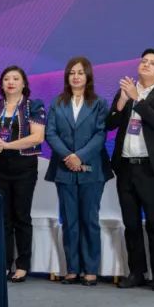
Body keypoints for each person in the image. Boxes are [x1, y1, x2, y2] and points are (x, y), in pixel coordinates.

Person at [105, 48, 154, 292]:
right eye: (144, 61)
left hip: (149, 169)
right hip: (126, 166)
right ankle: (136, 272)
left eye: (152, 63)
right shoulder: (125, 91)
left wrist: (137, 99)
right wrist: (121, 102)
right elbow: (109, 124)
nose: (146, 64)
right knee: (131, 223)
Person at [45, 57, 111, 286]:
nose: (76, 76)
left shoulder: (99, 103)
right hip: (64, 169)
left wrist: (80, 156)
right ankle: (72, 268)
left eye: (80, 72)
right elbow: (50, 133)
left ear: (88, 76)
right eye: (72, 72)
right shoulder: (57, 103)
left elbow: (101, 134)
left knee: (89, 219)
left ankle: (90, 269)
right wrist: (69, 156)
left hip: (92, 169)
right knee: (69, 220)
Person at [0, 65, 45, 282]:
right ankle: (4, 263)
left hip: (24, 166)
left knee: (21, 216)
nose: (11, 82)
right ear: (1, 84)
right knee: (3, 217)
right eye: (6, 79)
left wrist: (7, 145)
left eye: (15, 78)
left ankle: (22, 265)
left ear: (24, 83)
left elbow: (37, 137)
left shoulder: (33, 106)